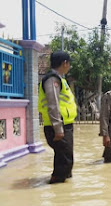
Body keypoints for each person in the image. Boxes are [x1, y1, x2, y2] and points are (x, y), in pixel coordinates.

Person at [38, 51, 77, 184]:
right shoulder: (52, 79)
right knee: (65, 161)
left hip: (64, 126)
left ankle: (62, 191)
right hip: (57, 127)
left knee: (63, 159)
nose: (69, 66)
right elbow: (53, 104)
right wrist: (58, 128)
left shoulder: (60, 79)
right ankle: (56, 187)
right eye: (69, 63)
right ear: (64, 63)